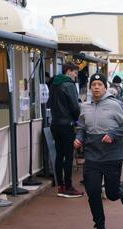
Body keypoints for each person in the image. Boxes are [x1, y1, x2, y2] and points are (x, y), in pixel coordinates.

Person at [74, 73, 123, 229]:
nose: (97, 87)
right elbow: (82, 127)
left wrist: (113, 133)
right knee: (92, 192)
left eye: (100, 84)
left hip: (111, 155)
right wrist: (79, 138)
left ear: (105, 88)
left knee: (112, 194)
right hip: (92, 155)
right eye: (94, 85)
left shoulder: (116, 104)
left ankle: (121, 189)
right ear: (90, 88)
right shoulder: (85, 106)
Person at [49, 62, 84, 198]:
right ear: (68, 71)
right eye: (75, 72)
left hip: (55, 123)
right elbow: (75, 107)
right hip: (67, 124)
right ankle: (68, 187)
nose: (75, 75)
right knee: (68, 156)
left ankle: (61, 185)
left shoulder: (53, 84)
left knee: (59, 155)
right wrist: (77, 120)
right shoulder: (69, 85)